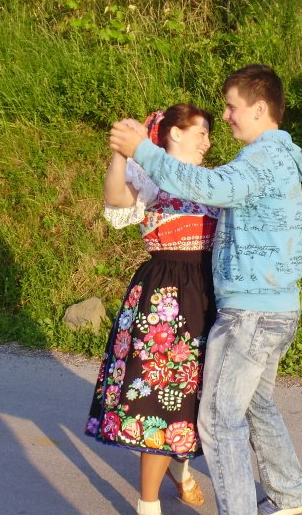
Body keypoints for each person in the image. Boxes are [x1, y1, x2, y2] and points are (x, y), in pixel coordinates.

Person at [109, 64, 302, 515]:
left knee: (220, 422)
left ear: (258, 109)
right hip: (275, 306)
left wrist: (142, 150)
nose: (225, 116)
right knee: (257, 404)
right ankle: (289, 494)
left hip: (250, 312)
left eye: (231, 107)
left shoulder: (260, 160)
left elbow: (209, 185)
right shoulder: (279, 156)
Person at [85, 103, 220, 515]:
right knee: (160, 398)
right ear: (175, 133)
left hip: (208, 291)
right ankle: (148, 504)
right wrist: (121, 153)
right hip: (166, 296)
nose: (208, 142)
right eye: (201, 133)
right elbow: (116, 197)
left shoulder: (213, 179)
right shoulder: (151, 179)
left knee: (195, 394)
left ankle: (179, 468)